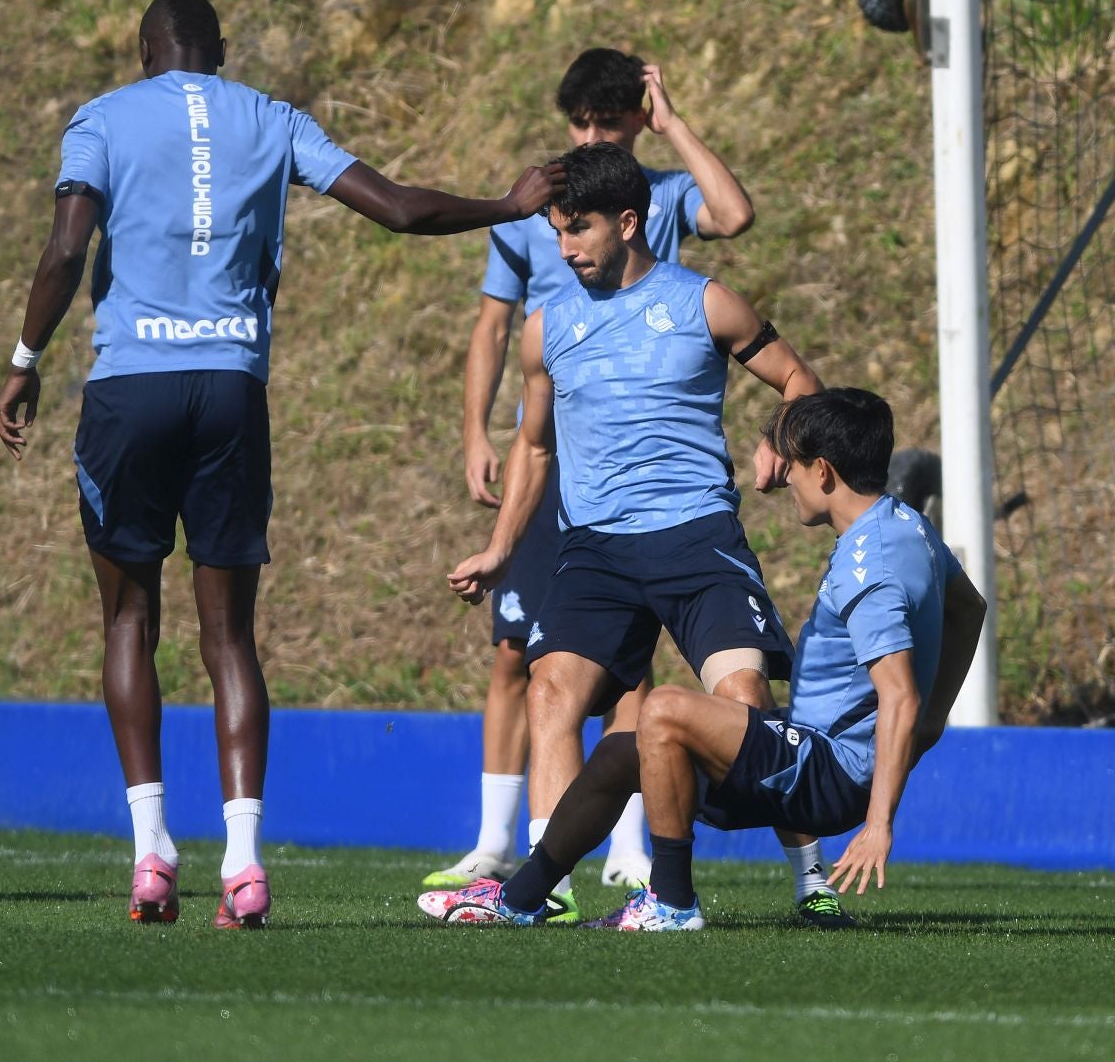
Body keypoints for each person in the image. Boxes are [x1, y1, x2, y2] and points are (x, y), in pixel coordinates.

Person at [0, 0, 562, 929]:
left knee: (130, 621)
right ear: (219, 55)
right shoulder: (272, 116)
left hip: (129, 393)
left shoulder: (101, 118)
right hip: (229, 394)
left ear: (146, 54)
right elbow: (397, 209)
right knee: (230, 639)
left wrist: (23, 359)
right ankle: (246, 863)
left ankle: (151, 854)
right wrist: (503, 205)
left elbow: (62, 249)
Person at [429, 140, 851, 927]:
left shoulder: (705, 302)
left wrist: (777, 437)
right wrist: (502, 548)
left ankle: (810, 875)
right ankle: (545, 887)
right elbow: (534, 444)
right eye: (557, 231)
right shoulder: (545, 327)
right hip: (595, 550)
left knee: (745, 699)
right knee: (550, 689)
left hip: (695, 539)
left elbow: (798, 379)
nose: (564, 248)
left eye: (579, 229)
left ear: (629, 222)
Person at [420, 388, 986, 929]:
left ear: (823, 471)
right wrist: (931, 725)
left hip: (825, 775)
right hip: (812, 760)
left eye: (792, 464)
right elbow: (970, 609)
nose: (785, 476)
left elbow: (900, 694)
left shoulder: (872, 569)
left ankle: (671, 903)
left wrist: (880, 822)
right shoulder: (908, 527)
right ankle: (520, 899)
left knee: (663, 708)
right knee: (625, 752)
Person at [426, 48, 758, 900]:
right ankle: (508, 853)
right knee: (522, 656)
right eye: (577, 122)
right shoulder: (533, 210)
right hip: (562, 453)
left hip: (652, 481)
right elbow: (493, 329)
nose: (585, 137)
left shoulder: (654, 196)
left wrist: (671, 123)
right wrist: (476, 430)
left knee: (640, 676)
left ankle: (636, 852)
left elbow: (733, 212)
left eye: (605, 125)